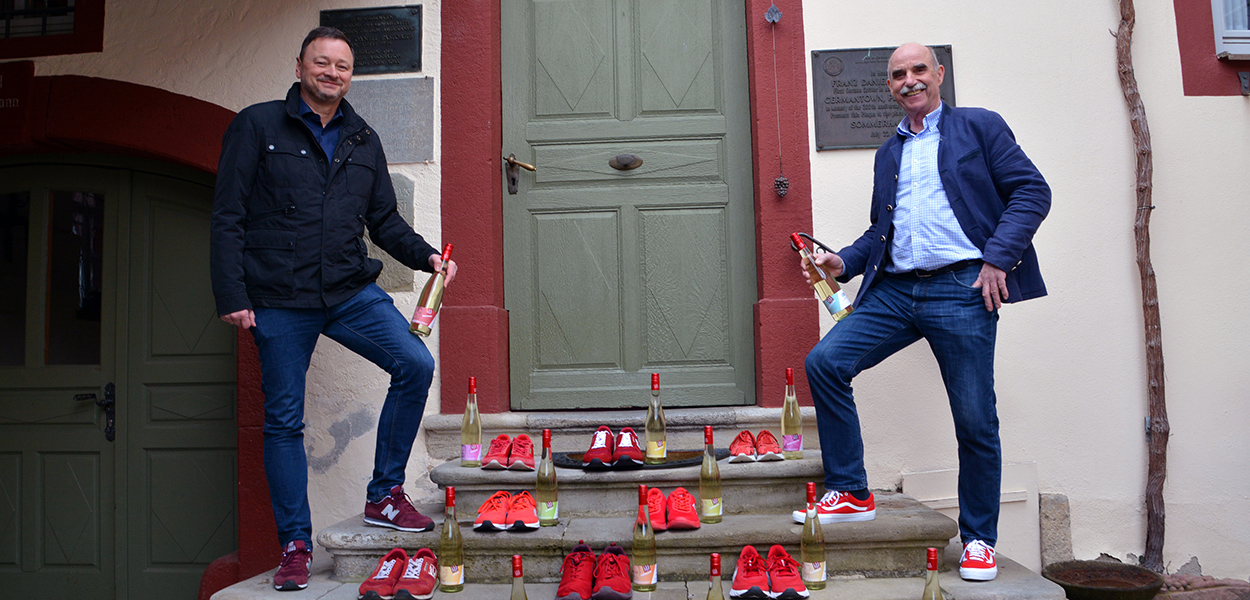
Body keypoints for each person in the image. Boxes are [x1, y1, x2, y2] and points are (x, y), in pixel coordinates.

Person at [210, 26, 457, 591]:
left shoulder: (363, 138)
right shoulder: (257, 125)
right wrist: (233, 295)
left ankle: (384, 496)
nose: (332, 73)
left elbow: (384, 221)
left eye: (342, 66)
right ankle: (295, 546)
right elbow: (228, 215)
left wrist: (428, 259)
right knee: (283, 421)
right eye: (322, 62)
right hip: (277, 298)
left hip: (348, 291)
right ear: (299, 66)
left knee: (414, 364)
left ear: (351, 76)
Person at [796, 43, 1050, 582]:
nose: (909, 80)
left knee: (974, 417)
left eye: (918, 70)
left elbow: (1032, 191)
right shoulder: (889, 152)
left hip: (962, 287)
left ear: (938, 74)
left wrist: (998, 260)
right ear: (888, 86)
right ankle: (850, 491)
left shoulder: (979, 127)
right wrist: (840, 260)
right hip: (895, 290)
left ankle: (978, 539)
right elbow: (879, 234)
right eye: (897, 75)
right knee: (826, 363)